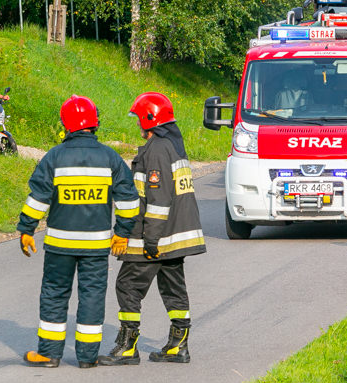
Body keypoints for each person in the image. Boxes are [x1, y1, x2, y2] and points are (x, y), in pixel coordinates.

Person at [17, 95, 140, 369]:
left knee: (54, 294)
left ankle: (49, 354)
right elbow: (129, 202)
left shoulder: (55, 157)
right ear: (94, 123)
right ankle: (87, 357)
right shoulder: (110, 158)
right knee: (93, 296)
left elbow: (38, 198)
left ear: (66, 124)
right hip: (96, 246)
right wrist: (121, 233)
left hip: (60, 245)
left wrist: (26, 229)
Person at [98, 92, 206, 366]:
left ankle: (127, 346)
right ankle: (178, 346)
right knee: (173, 288)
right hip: (174, 236)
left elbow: (157, 199)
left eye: (139, 118)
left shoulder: (157, 149)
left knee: (127, 285)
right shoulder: (171, 145)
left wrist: (151, 241)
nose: (137, 123)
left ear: (150, 119)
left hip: (157, 237)